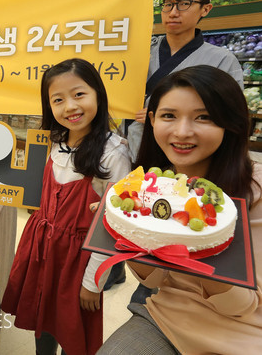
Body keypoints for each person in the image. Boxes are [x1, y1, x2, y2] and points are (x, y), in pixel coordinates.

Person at [106, 0, 244, 293]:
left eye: (184, 4)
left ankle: (174, 284)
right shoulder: (141, 48)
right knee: (134, 213)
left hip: (189, 157)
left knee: (180, 218)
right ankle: (130, 270)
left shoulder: (222, 59)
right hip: (137, 146)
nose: (173, 12)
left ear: (205, 10)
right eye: (168, 4)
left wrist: (165, 115)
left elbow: (232, 112)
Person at [98, 65, 262, 354]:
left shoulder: (254, 188)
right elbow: (156, 280)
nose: (182, 132)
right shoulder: (158, 183)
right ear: (152, 120)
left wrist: (204, 242)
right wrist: (126, 234)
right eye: (169, 116)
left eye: (204, 117)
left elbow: (240, 306)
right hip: (167, 317)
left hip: (243, 332)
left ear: (230, 122)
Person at [1, 59, 131, 355]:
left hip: (79, 261)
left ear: (98, 94)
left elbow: (112, 226)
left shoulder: (113, 154)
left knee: (74, 331)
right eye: (58, 100)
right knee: (43, 318)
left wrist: (93, 282)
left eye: (79, 94)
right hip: (42, 251)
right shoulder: (53, 141)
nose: (70, 107)